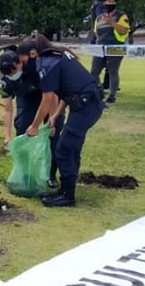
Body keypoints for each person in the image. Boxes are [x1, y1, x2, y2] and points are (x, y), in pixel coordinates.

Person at [20, 36, 105, 207]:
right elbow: (67, 90)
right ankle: (67, 189)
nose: (24, 66)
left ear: (33, 53)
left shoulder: (47, 63)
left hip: (85, 106)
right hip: (88, 104)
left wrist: (34, 126)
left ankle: (67, 195)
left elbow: (47, 98)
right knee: (72, 147)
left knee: (64, 150)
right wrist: (56, 115)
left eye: (24, 61)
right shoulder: (57, 56)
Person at [0, 47, 61, 189]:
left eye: (14, 70)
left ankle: (51, 175)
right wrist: (7, 137)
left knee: (53, 135)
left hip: (47, 95)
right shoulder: (4, 80)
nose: (12, 74)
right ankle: (26, 173)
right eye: (8, 72)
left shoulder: (35, 68)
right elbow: (7, 109)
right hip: (26, 97)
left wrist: (52, 120)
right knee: (22, 126)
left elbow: (52, 96)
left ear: (20, 63)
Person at [89, 0, 130, 103]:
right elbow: (96, 32)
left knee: (113, 71)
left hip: (115, 47)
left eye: (112, 1)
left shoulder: (121, 16)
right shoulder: (99, 18)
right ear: (103, 3)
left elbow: (124, 31)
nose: (109, 3)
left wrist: (112, 23)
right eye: (107, 1)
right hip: (100, 47)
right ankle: (99, 92)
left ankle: (112, 95)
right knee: (94, 71)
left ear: (116, 3)